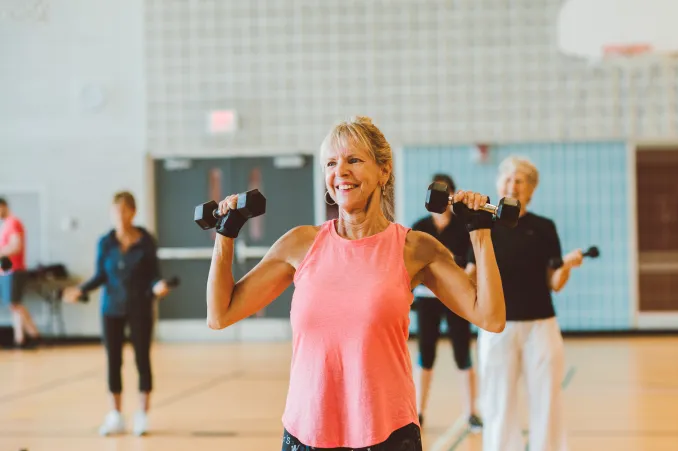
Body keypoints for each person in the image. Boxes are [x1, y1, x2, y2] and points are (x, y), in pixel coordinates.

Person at [205, 116, 507, 451]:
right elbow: (221, 314)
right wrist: (225, 234)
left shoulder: (414, 248)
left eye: (354, 160)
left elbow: (490, 317)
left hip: (388, 434)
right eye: (331, 163)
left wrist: (480, 232)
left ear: (384, 171)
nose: (341, 172)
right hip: (308, 434)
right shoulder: (300, 244)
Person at [466, 155, 584, 451]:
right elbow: (471, 275)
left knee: (547, 399)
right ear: (498, 183)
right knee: (498, 401)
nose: (512, 185)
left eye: (520, 180)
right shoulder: (484, 225)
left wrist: (566, 266)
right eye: (507, 178)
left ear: (531, 189)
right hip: (496, 328)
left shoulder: (544, 227)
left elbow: (553, 283)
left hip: (541, 327)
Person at [62, 191, 173, 437]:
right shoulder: (106, 242)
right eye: (116, 211)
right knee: (113, 361)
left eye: (124, 210)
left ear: (133, 212)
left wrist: (157, 287)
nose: (120, 216)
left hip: (140, 308)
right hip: (111, 308)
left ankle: (142, 415)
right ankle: (115, 415)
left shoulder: (146, 241)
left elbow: (154, 274)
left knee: (142, 360)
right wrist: (80, 290)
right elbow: (101, 274)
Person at [410, 173, 483, 432]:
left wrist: (456, 283)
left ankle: (471, 413)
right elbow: (411, 265)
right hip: (426, 300)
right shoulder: (419, 227)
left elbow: (473, 265)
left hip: (455, 299)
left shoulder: (464, 226)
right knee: (425, 354)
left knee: (462, 353)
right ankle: (418, 412)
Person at [0, 197, 41, 349]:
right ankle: (20, 338)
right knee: (13, 305)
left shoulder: (13, 223)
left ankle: (34, 334)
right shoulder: (5, 225)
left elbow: (16, 246)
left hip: (15, 270)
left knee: (15, 304)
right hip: (6, 271)